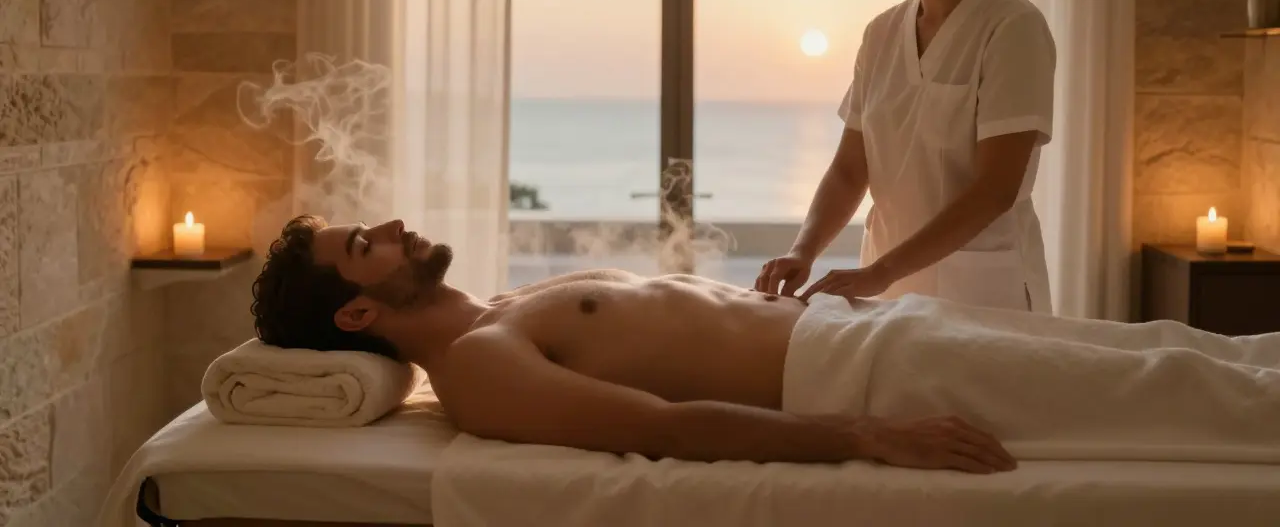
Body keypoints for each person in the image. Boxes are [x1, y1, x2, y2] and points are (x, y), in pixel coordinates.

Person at [251, 216, 1280, 475]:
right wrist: (864, 438)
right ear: (358, 312)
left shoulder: (501, 308)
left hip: (867, 330)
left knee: (1172, 345)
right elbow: (661, 427)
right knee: (1171, 382)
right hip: (866, 372)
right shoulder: (476, 369)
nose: (386, 226)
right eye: (361, 245)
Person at [757, 0, 1056, 312]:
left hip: (979, 291)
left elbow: (995, 189)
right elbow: (850, 168)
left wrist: (881, 273)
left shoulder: (1011, 27)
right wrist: (804, 250)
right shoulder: (881, 35)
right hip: (887, 286)